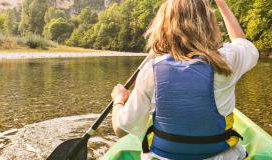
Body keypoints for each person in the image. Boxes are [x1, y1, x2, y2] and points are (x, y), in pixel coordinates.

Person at [109, 0, 259, 159]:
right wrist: (221, 3)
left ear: (162, 25)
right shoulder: (227, 61)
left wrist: (118, 99)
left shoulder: (150, 71)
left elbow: (120, 130)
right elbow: (243, 43)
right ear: (209, 23)